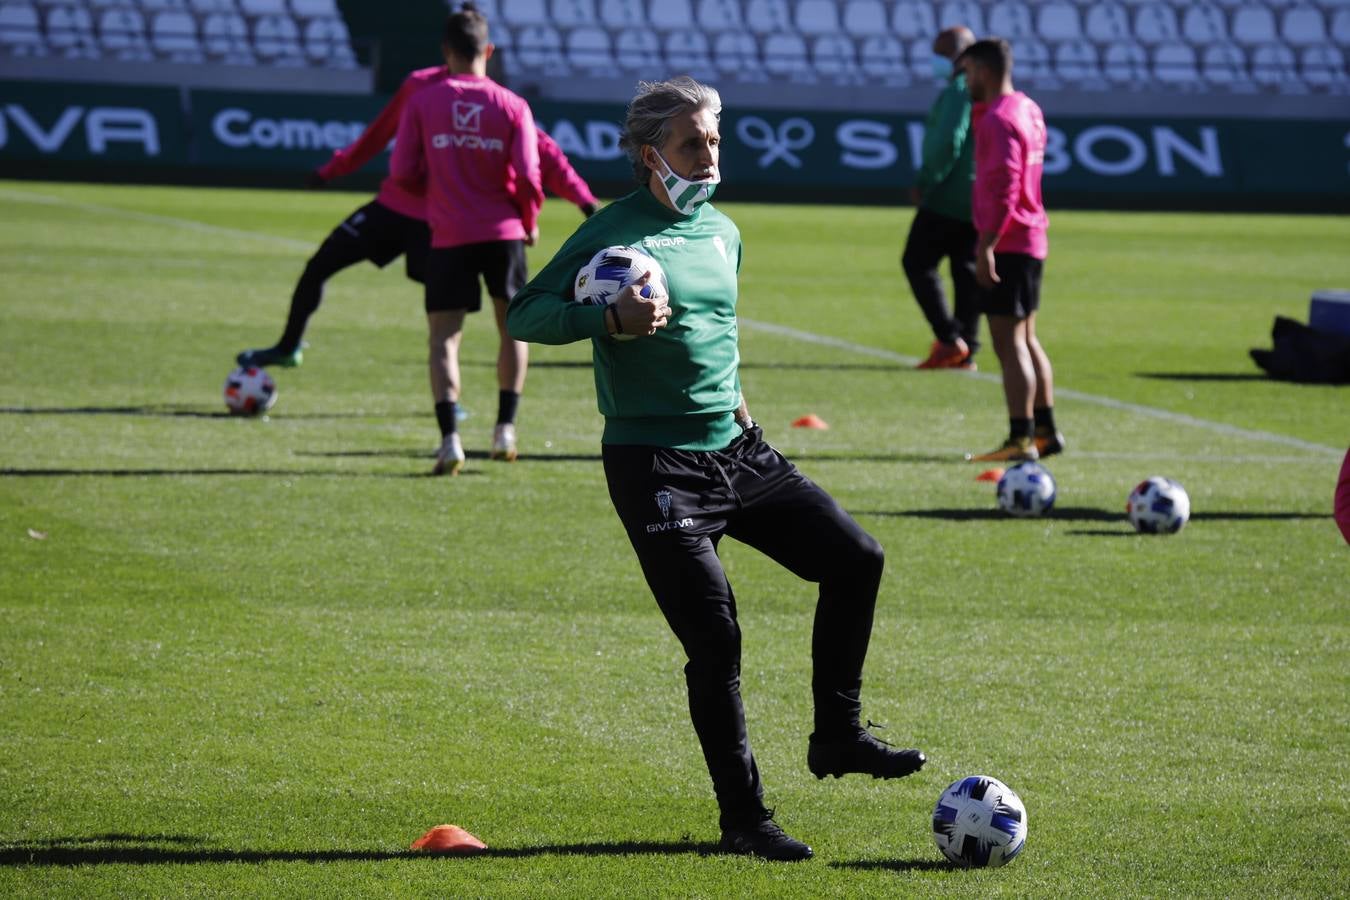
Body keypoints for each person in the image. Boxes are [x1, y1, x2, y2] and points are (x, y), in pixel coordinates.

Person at [508, 77, 925, 862]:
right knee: (717, 637)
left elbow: (716, 335)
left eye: (714, 140)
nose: (708, 155)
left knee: (857, 559)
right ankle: (745, 820)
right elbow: (523, 312)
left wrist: (740, 410)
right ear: (648, 155)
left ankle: (837, 736)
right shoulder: (612, 233)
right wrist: (606, 319)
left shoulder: (723, 232)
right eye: (692, 143)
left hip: (738, 449)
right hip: (653, 461)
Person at [391, 4, 544, 475]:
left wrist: (437, 193)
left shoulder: (423, 101)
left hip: (450, 233)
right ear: (488, 50)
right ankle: (505, 430)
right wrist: (529, 218)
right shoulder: (512, 105)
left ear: (446, 52)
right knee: (512, 328)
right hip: (503, 233)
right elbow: (530, 176)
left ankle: (450, 441)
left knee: (443, 340)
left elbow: (401, 172)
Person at [961, 38, 1066, 462]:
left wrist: (987, 244)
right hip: (1031, 237)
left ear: (984, 71)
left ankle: (1020, 437)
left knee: (1009, 344)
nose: (965, 81)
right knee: (1026, 337)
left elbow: (1003, 186)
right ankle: (1045, 429)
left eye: (968, 72)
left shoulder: (999, 120)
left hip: (1008, 240)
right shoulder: (1027, 108)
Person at [904, 25, 980, 371]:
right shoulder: (983, 89)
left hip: (948, 194)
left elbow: (948, 141)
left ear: (956, 54)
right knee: (966, 271)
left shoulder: (959, 89)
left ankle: (950, 339)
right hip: (977, 196)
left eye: (940, 52)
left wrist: (927, 180)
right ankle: (967, 348)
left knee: (917, 262)